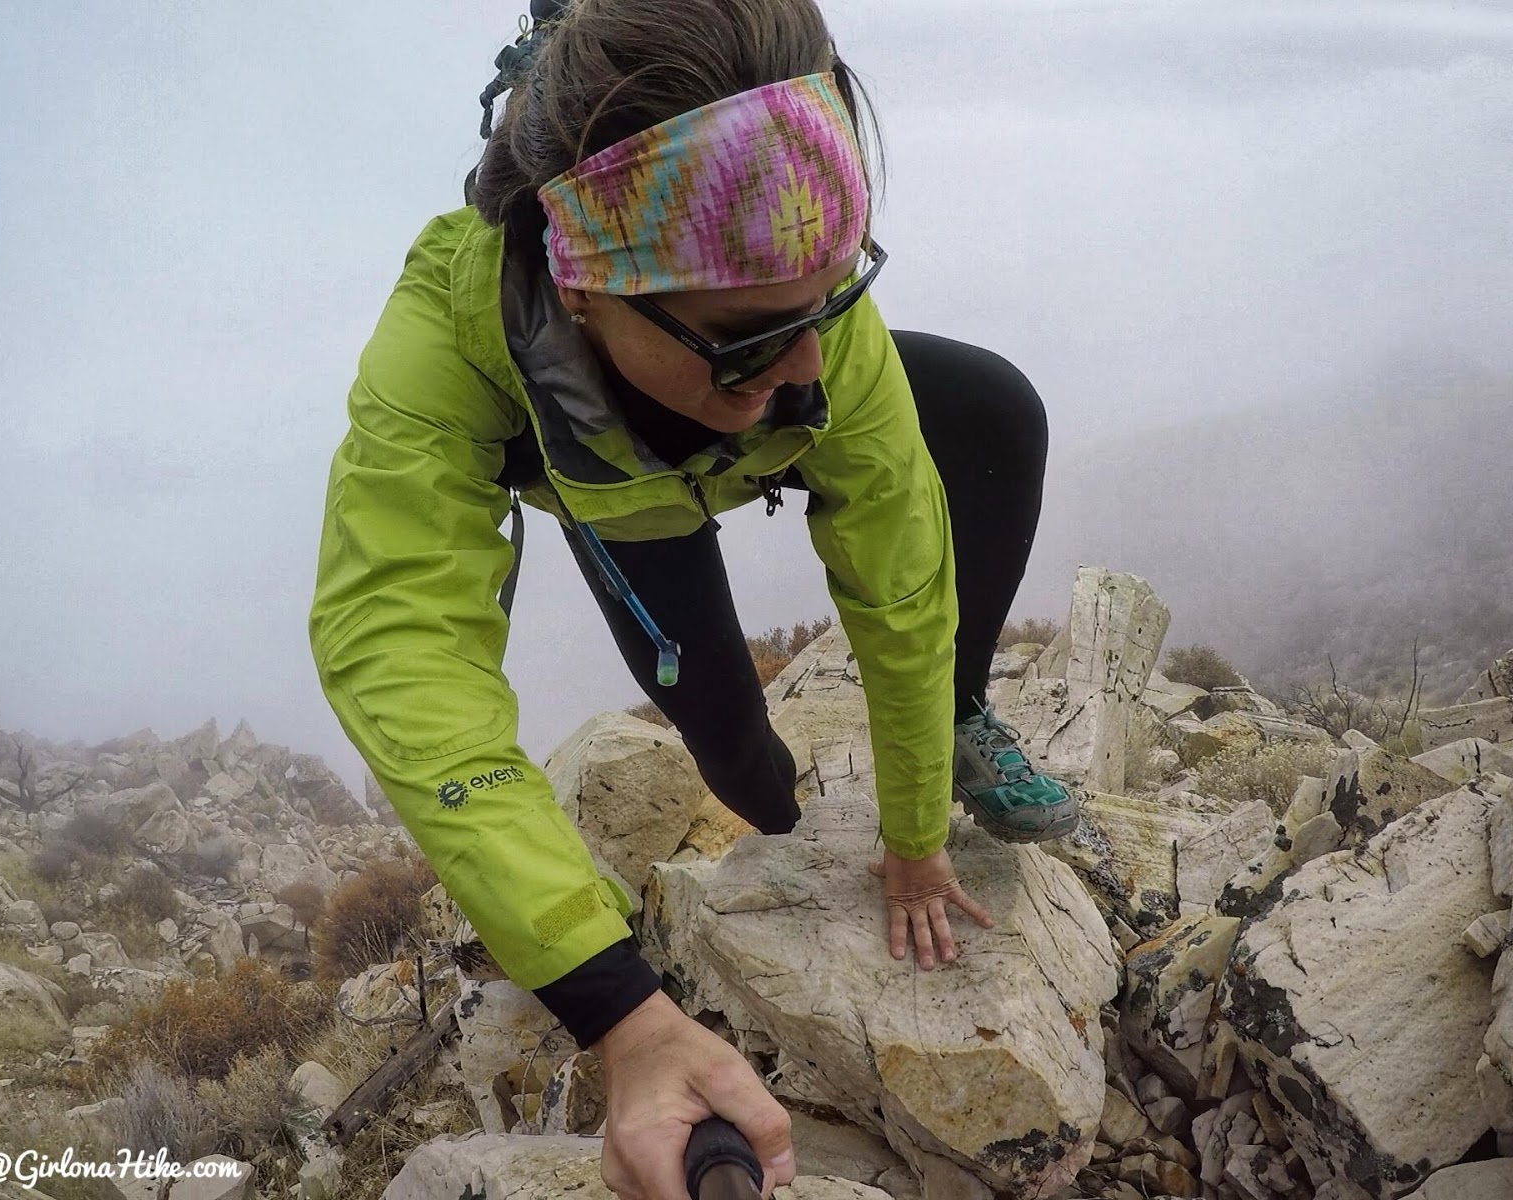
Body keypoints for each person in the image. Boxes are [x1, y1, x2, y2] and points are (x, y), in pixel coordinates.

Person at [308, 1, 1080, 1195]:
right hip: (628, 509)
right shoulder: (445, 343)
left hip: (712, 442)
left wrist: (916, 836)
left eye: (837, 297)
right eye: (750, 334)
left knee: (987, 409)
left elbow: (900, 570)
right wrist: (621, 1010)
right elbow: (399, 645)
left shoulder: (806, 327)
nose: (809, 366)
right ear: (581, 285)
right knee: (749, 781)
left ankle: (961, 714)